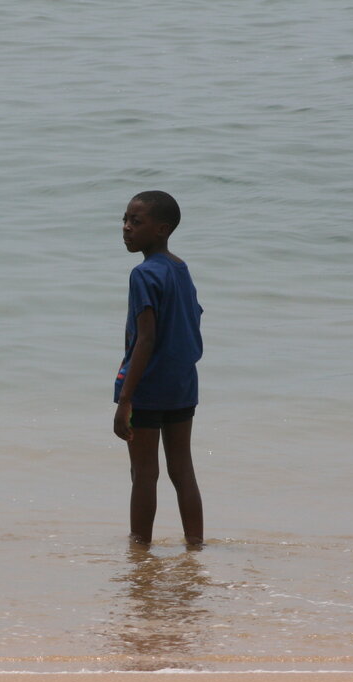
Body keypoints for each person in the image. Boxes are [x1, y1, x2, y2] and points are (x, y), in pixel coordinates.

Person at [113, 191, 204, 546]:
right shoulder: (180, 269)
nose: (126, 228)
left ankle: (140, 551)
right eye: (124, 220)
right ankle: (195, 546)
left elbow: (145, 340)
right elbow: (194, 319)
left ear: (162, 229)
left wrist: (125, 400)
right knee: (183, 471)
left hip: (148, 388)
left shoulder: (143, 274)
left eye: (136, 222)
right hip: (182, 384)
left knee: (144, 474)